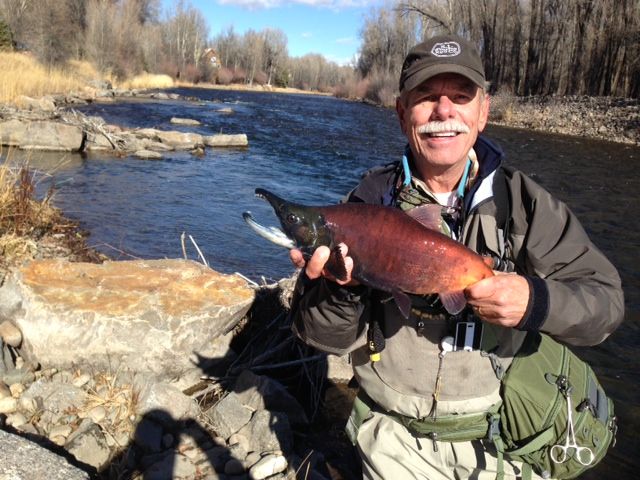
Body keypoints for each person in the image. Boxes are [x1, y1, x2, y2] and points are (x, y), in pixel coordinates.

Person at [288, 34, 624, 479]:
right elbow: (321, 337)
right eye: (426, 97)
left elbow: (605, 305)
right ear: (402, 113)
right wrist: (338, 289)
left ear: (483, 112)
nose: (443, 111)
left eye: (460, 97)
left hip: (503, 443)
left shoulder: (524, 204)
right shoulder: (369, 203)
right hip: (394, 442)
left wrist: (536, 302)